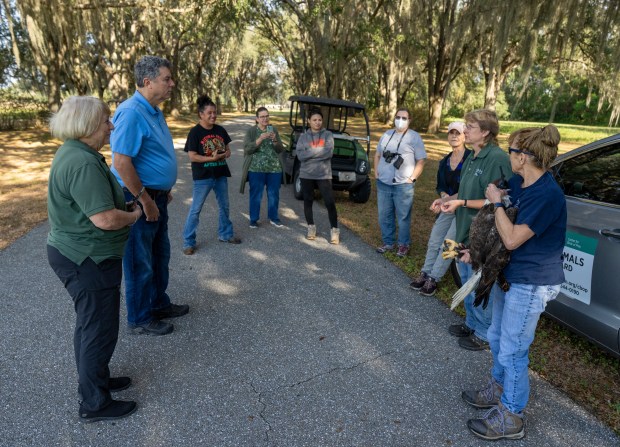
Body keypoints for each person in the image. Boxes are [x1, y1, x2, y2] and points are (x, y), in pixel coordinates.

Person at [462, 126, 565, 441]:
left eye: (512, 151)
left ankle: (512, 415)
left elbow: (511, 237)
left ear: (525, 157)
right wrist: (476, 254)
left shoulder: (547, 194)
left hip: (532, 281)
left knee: (514, 348)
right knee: (496, 336)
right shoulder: (521, 183)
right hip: (511, 276)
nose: (509, 156)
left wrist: (496, 204)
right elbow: (499, 230)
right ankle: (499, 387)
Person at [47, 96, 142, 422]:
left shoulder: (76, 152)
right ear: (88, 125)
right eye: (105, 120)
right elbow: (104, 220)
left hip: (79, 253)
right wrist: (134, 216)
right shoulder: (83, 162)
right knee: (98, 330)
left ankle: (95, 382)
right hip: (87, 258)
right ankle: (94, 403)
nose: (111, 125)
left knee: (90, 327)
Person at [111, 56, 189, 336]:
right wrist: (145, 200)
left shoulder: (153, 110)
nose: (172, 83)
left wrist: (161, 191)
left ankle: (158, 303)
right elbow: (121, 163)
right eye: (167, 79)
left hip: (156, 197)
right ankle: (140, 317)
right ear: (148, 82)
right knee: (139, 260)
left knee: (159, 255)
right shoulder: (132, 112)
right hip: (138, 200)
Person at [440, 109, 512, 351]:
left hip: (483, 235)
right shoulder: (471, 156)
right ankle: (471, 323)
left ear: (485, 132)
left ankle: (484, 333)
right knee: (464, 280)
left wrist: (461, 203)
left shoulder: (497, 159)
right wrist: (448, 199)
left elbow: (495, 201)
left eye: (470, 127)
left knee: (479, 283)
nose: (465, 131)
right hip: (463, 230)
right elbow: (467, 192)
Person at [409, 121, 471, 296]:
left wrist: (448, 200)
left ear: (465, 136)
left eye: (457, 133)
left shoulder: (471, 160)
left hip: (464, 210)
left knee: (449, 244)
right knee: (434, 241)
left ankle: (433, 279)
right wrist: (444, 198)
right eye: (451, 133)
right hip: (447, 208)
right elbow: (440, 186)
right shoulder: (444, 161)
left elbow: (468, 190)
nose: (454, 136)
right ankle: (425, 273)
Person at [182, 95, 241, 253]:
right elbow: (192, 155)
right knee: (196, 209)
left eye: (214, 112)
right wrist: (210, 157)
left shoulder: (220, 130)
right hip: (203, 177)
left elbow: (228, 149)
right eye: (209, 113)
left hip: (220, 174)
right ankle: (188, 242)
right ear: (201, 114)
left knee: (224, 206)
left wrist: (226, 153)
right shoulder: (195, 132)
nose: (213, 115)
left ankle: (225, 234)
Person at [374, 108, 427, 257]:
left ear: (409, 120)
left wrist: (412, 178)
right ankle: (388, 242)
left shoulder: (414, 137)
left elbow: (421, 160)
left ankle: (403, 244)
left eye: (404, 118)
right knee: (384, 215)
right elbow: (378, 154)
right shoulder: (386, 135)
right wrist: (376, 172)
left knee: (403, 216)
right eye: (398, 117)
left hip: (403, 184)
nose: (400, 120)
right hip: (384, 182)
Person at [296, 108, 340, 244]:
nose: (317, 122)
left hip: (323, 175)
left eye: (319, 120)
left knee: (329, 202)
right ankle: (311, 227)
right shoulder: (303, 137)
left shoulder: (327, 135)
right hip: (306, 174)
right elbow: (300, 156)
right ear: (309, 121)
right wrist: (318, 152)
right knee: (308, 200)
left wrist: (310, 152)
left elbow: (328, 153)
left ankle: (334, 230)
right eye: (314, 120)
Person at [240, 106, 286, 228]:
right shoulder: (252, 131)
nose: (265, 119)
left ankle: (274, 218)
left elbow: (280, 149)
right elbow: (247, 149)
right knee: (256, 194)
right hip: (256, 169)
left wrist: (275, 140)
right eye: (262, 117)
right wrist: (260, 139)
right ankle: (254, 219)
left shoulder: (273, 130)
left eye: (267, 116)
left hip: (274, 169)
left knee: (274, 194)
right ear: (257, 119)